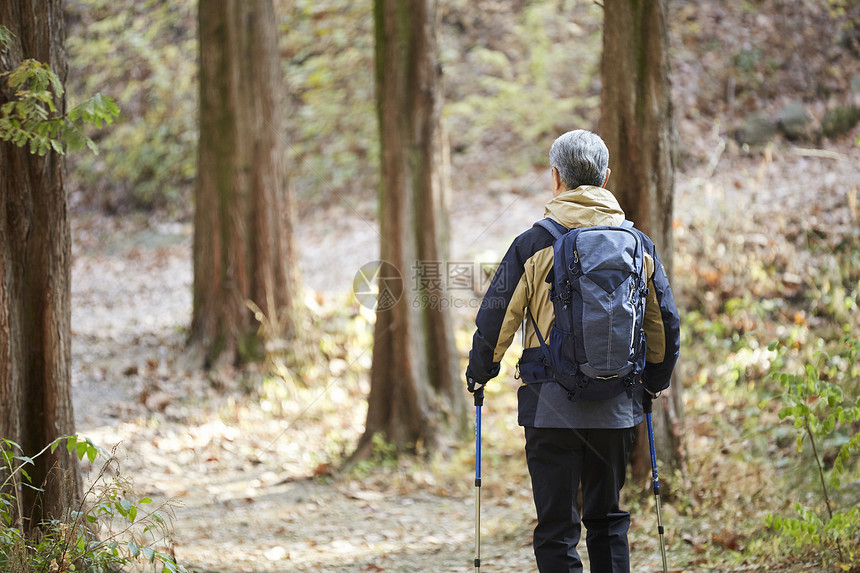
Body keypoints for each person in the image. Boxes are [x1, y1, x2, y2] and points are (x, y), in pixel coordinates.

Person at [465, 130, 680, 573]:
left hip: (550, 408)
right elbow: (666, 323)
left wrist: (481, 370)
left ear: (555, 178)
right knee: (607, 521)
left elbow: (496, 315)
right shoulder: (637, 244)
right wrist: (653, 384)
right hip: (618, 406)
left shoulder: (533, 243)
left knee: (557, 528)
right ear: (605, 176)